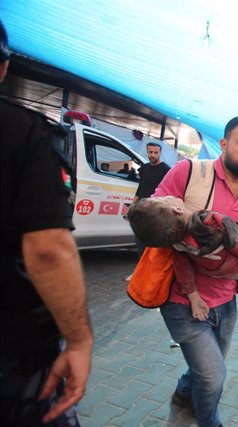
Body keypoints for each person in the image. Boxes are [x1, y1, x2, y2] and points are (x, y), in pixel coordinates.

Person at [1, 20, 93, 425]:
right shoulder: (20, 131)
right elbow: (48, 248)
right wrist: (79, 340)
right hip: (11, 356)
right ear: (5, 68)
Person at [153, 116, 238, 426]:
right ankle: (209, 421)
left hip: (226, 301)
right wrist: (191, 290)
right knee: (214, 376)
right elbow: (155, 221)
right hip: (181, 299)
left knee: (206, 367)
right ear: (224, 144)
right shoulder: (189, 173)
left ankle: (182, 394)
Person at [127, 196, 238, 320]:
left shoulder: (178, 243)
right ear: (177, 207)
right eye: (162, 199)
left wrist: (193, 295)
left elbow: (182, 269)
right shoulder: (208, 223)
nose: (164, 195)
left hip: (221, 269)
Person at [129, 142, 171, 258]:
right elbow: (140, 188)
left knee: (153, 247)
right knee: (139, 243)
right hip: (141, 211)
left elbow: (168, 193)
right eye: (150, 152)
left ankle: (151, 274)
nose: (153, 155)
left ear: (160, 153)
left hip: (155, 212)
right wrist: (132, 206)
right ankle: (140, 272)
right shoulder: (144, 168)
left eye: (155, 152)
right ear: (147, 152)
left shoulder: (167, 170)